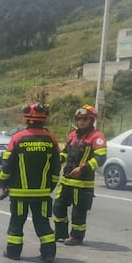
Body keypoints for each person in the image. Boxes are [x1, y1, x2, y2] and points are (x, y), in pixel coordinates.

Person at [0, 102, 60, 263]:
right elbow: (56, 168)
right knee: (43, 224)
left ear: (26, 118)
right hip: (42, 193)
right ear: (44, 119)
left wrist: (3, 182)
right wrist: (49, 187)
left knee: (16, 223)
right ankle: (49, 253)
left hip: (19, 194)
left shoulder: (17, 138)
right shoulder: (51, 139)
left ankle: (13, 252)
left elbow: (7, 164)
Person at [53, 104, 108, 246]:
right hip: (66, 180)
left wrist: (83, 168)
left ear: (91, 120)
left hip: (83, 183)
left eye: (85, 119)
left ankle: (76, 237)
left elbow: (100, 158)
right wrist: (58, 160)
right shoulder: (72, 135)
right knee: (58, 207)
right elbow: (65, 152)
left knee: (78, 212)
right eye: (79, 119)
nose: (81, 122)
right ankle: (60, 234)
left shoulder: (97, 137)